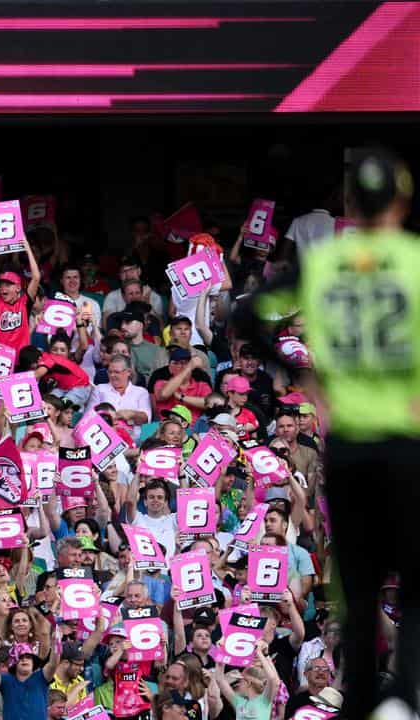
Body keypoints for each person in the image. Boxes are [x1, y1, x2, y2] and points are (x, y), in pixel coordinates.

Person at [235, 147, 417, 720]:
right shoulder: (415, 258)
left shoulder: (325, 263)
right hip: (404, 440)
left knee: (358, 587)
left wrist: (303, 375)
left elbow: (244, 313)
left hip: (348, 442)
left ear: (350, 206)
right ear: (402, 201)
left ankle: (361, 697)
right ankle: (405, 696)